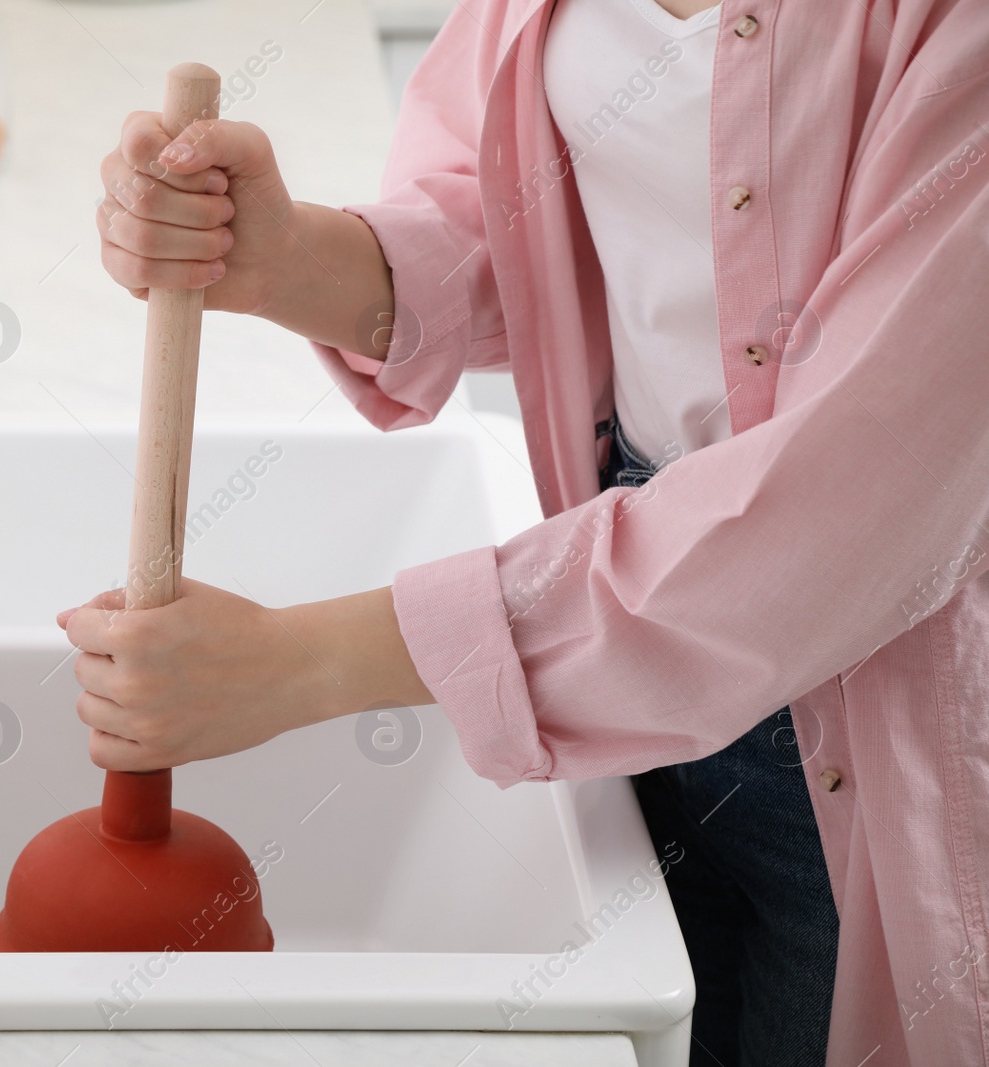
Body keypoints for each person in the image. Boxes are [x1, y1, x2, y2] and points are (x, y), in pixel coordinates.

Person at [59, 0, 989, 1063]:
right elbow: (528, 221)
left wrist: (299, 662)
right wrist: (285, 258)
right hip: (615, 638)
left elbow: (847, 506)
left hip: (862, 693)